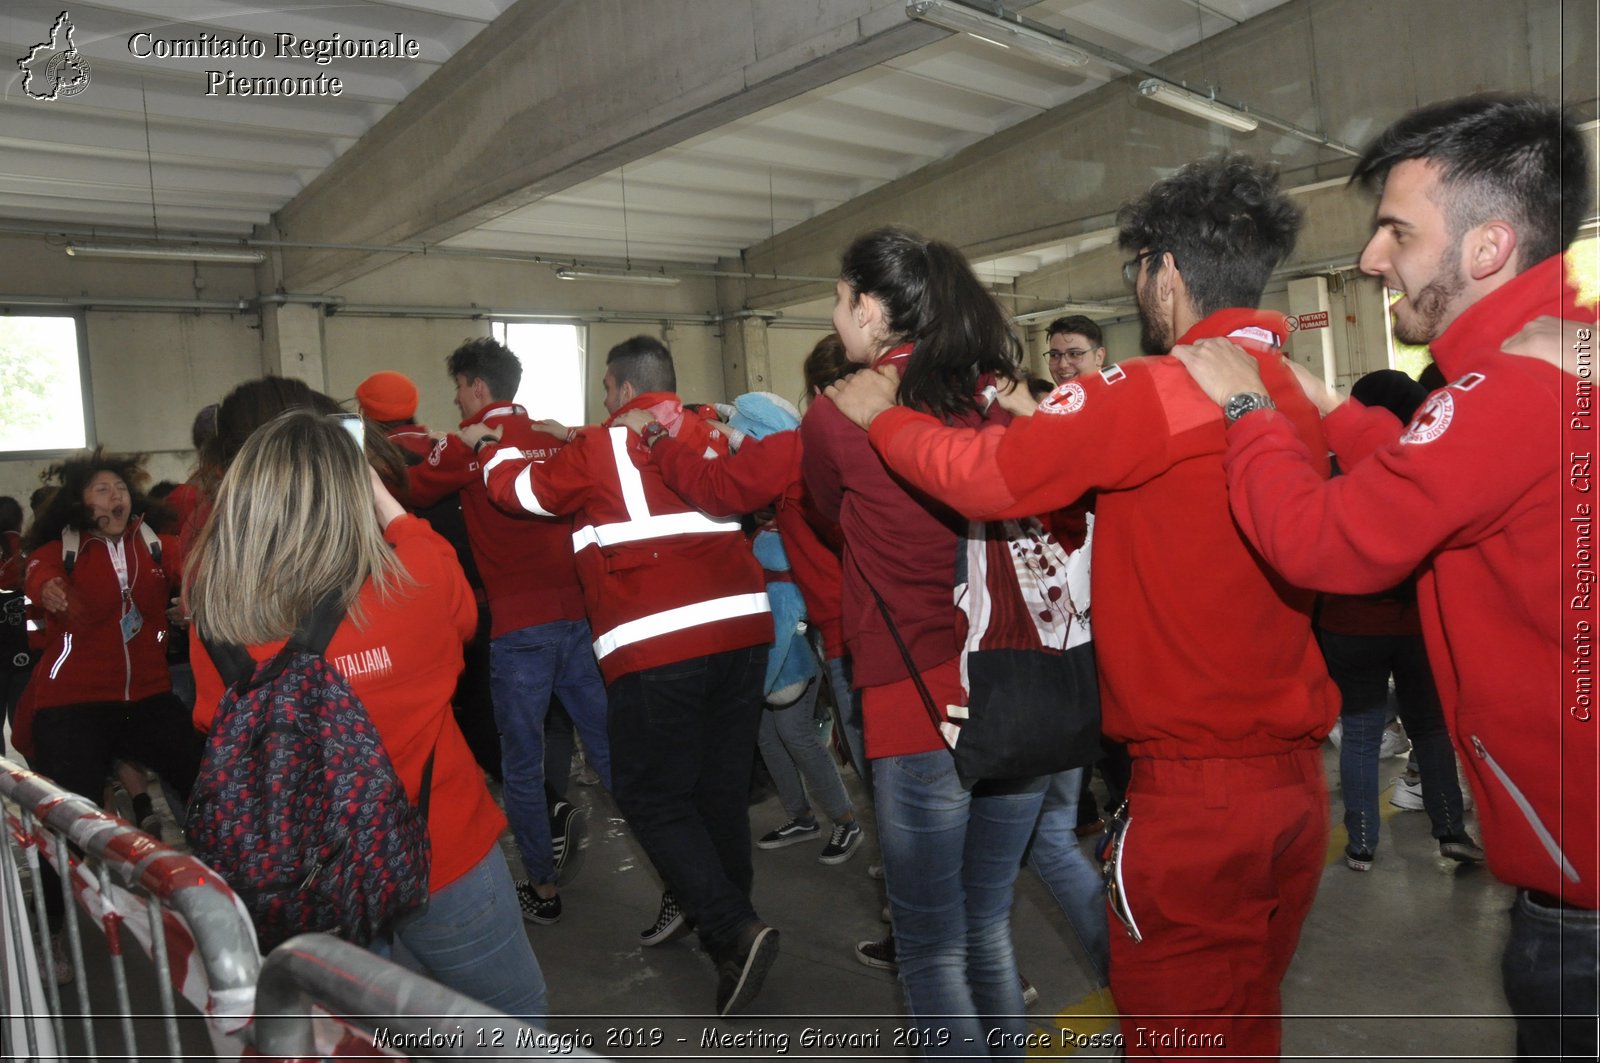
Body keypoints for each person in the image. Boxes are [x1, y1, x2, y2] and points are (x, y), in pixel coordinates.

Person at [826, 158, 1337, 1059]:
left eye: (1137, 268)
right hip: (1291, 787)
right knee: (1246, 1022)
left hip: (1194, 796)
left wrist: (883, 417)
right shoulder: (1288, 396)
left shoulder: (1153, 391)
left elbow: (984, 479)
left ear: (1166, 272)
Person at [1171, 94, 1596, 1059]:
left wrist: (1249, 414)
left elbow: (1325, 544)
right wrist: (1329, 409)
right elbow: (1436, 470)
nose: (1371, 259)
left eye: (1396, 231)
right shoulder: (1554, 368)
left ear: (1487, 248)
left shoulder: (1514, 392)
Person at [186, 409, 546, 1022]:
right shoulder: (416, 580)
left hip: (314, 881)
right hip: (443, 856)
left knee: (386, 1036)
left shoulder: (215, 621)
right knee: (509, 1019)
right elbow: (456, 605)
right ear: (353, 491)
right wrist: (382, 498)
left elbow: (211, 725)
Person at [468, 335, 778, 1017]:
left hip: (656, 641)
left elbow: (516, 491)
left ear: (617, 386)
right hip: (744, 633)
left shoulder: (602, 448)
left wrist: (495, 444)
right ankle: (738, 931)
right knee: (719, 793)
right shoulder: (708, 432)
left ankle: (731, 928)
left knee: (649, 793)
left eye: (605, 392)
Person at [802, 226, 1047, 1057]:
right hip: (1020, 687)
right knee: (987, 924)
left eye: (841, 300)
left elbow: (829, 512)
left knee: (931, 945)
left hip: (914, 700)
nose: (837, 317)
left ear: (872, 309)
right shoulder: (1000, 398)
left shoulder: (842, 412)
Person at [407, 339, 614, 926]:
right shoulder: (553, 436)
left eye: (458, 388)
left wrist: (458, 442)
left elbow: (416, 488)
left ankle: (542, 891)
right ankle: (676, 871)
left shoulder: (475, 443)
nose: (455, 400)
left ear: (475, 386)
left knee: (521, 766)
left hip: (520, 628)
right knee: (607, 750)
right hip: (578, 619)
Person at [18, 450, 204, 979]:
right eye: (100, 489)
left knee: (208, 784)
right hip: (73, 701)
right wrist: (47, 590)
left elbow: (193, 568)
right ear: (79, 501)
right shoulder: (61, 550)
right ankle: (53, 928)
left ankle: (238, 900)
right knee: (66, 820)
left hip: (146, 695)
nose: (114, 496)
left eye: (119, 488)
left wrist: (190, 595)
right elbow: (39, 574)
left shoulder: (153, 543)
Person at [1317, 370, 1482, 872]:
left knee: (1362, 734)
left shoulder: (1331, 468)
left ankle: (1362, 844)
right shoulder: (1424, 462)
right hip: (1417, 622)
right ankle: (1451, 832)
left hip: (1348, 621)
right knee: (1431, 729)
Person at [1044, 315, 1107, 385]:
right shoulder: (1053, 396)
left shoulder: (1118, 394)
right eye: (1054, 355)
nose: (1063, 365)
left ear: (1099, 357)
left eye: (1074, 354)